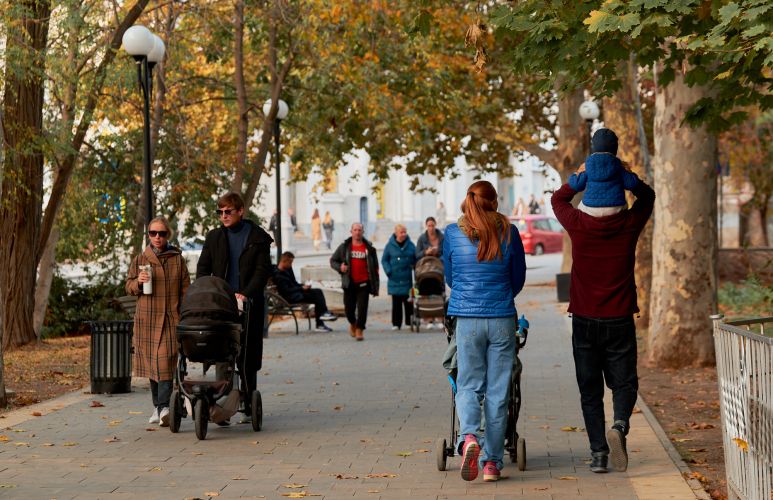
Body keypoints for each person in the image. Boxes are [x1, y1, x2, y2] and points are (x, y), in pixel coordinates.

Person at [552, 158, 655, 474]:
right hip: (620, 317)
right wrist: (628, 178)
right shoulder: (628, 225)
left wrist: (578, 178)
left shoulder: (577, 224)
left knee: (590, 390)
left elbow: (558, 199)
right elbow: (647, 197)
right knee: (625, 382)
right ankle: (620, 425)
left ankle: (599, 455)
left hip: (584, 318)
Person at [443, 180, 526, 482]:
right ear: (494, 201)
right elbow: (518, 279)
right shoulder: (510, 232)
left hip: (467, 319)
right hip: (502, 318)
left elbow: (451, 278)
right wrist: (502, 294)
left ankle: (469, 438)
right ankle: (492, 464)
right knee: (498, 391)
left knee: (468, 385)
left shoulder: (453, 233)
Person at [197, 192, 273, 424]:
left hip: (249, 305)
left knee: (247, 355)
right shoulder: (214, 237)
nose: (223, 216)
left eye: (227, 211)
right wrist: (207, 293)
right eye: (220, 212)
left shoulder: (258, 238)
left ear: (240, 211)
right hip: (222, 305)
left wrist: (246, 293)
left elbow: (262, 272)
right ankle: (222, 405)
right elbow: (203, 268)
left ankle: (248, 402)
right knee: (222, 352)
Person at [126, 217, 191, 427]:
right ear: (148, 235)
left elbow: (186, 290)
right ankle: (158, 406)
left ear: (167, 236)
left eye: (161, 234)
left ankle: (164, 407)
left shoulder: (177, 259)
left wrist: (185, 315)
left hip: (171, 319)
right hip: (147, 320)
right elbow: (128, 286)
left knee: (164, 363)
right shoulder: (140, 259)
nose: (157, 237)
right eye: (153, 233)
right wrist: (138, 283)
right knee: (152, 366)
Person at [568, 128, 639, 217]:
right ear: (615, 148)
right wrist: (629, 172)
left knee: (580, 207)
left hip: (590, 208)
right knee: (625, 206)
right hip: (616, 207)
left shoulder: (588, 165)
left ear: (594, 146)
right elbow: (632, 184)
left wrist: (576, 173)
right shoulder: (618, 165)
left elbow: (576, 185)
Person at [330, 222, 379, 341]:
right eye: (355, 230)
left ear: (363, 232)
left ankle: (359, 329)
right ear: (351, 232)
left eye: (359, 230)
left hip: (364, 283)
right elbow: (333, 261)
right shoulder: (344, 247)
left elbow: (375, 267)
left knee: (362, 309)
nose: (357, 232)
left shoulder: (369, 248)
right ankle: (353, 323)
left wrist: (375, 283)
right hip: (349, 283)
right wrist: (340, 267)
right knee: (349, 310)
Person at [273, 252, 337, 332]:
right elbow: (286, 291)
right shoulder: (278, 275)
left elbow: (294, 284)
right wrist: (301, 288)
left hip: (297, 293)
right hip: (290, 297)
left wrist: (303, 286)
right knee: (316, 297)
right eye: (290, 262)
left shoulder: (288, 269)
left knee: (318, 291)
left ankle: (324, 314)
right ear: (284, 262)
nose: (291, 264)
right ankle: (320, 322)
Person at [381, 224, 417, 331]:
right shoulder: (389, 246)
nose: (403, 234)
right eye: (401, 232)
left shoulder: (411, 245)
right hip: (394, 278)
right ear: (396, 233)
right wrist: (389, 271)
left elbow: (416, 258)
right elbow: (384, 260)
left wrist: (414, 266)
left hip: (407, 278)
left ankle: (408, 322)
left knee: (408, 301)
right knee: (396, 302)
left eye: (405, 232)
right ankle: (396, 323)